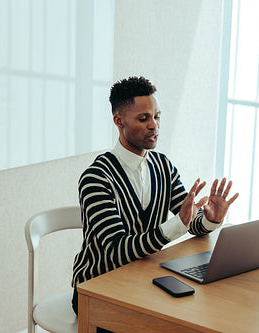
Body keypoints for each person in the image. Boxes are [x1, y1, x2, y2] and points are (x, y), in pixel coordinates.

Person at [71, 76, 239, 317]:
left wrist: (210, 219)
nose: (154, 125)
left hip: (144, 280)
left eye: (157, 116)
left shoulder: (163, 166)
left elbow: (189, 222)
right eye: (143, 118)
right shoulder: (96, 178)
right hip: (97, 289)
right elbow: (118, 250)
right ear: (119, 121)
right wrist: (175, 226)